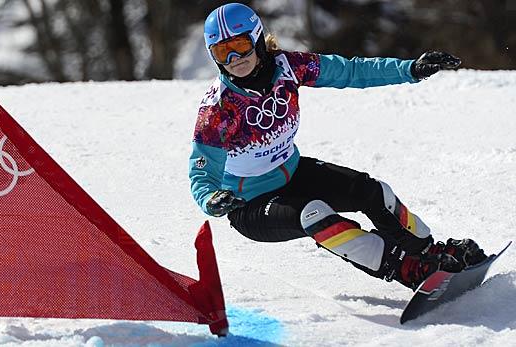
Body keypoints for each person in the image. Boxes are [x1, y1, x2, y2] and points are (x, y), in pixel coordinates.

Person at [188, 3, 486, 290]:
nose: (234, 59)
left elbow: (351, 71)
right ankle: (408, 269)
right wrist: (212, 199)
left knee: (373, 192)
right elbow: (201, 172)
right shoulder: (218, 109)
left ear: (256, 39)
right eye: (222, 52)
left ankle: (430, 253)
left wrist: (409, 70)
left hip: (294, 175)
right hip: (250, 205)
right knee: (313, 214)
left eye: (239, 45)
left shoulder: (289, 67)